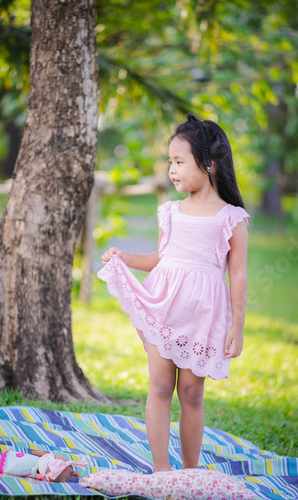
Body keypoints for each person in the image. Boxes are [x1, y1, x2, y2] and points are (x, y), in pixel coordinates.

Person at [97, 113, 250, 473]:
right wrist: (127, 257)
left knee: (192, 393)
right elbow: (162, 259)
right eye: (170, 162)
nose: (172, 169)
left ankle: (190, 469)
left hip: (201, 315)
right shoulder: (170, 212)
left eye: (180, 162)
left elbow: (238, 273)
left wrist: (237, 325)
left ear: (208, 164)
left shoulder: (231, 218)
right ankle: (161, 467)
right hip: (164, 308)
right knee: (161, 385)